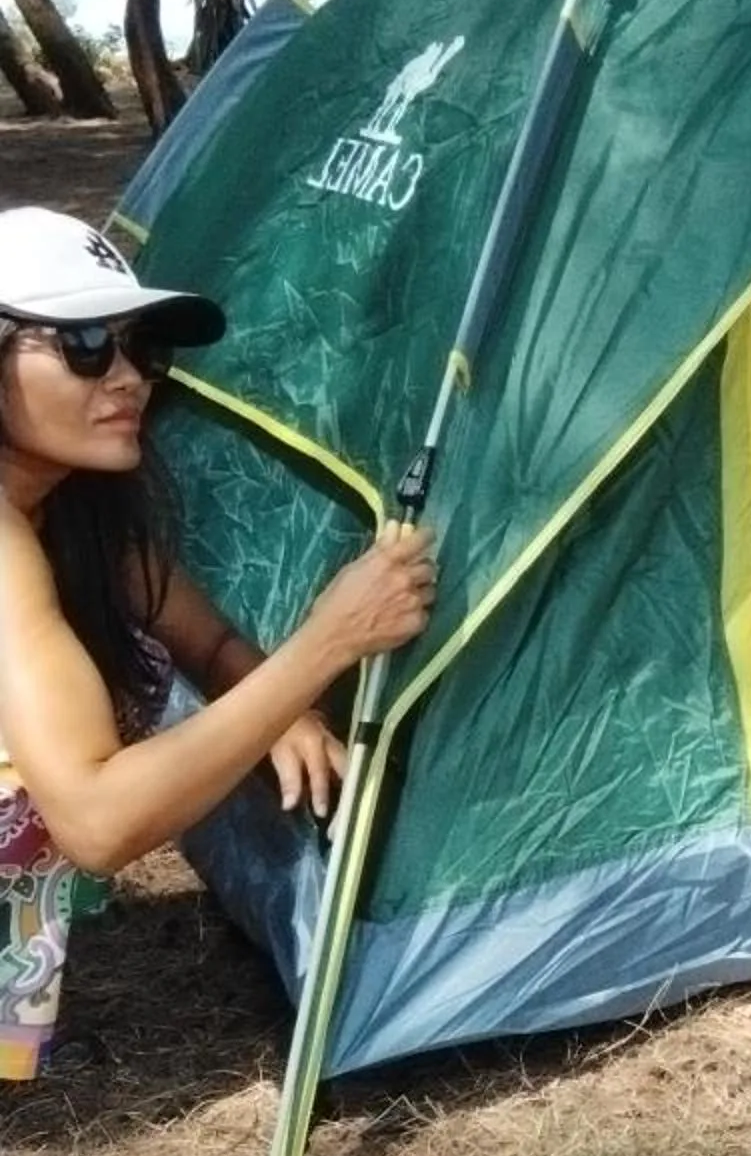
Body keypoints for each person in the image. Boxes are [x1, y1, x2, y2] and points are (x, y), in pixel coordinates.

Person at [0, 207, 435, 1079]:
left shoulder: (72, 510)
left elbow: (209, 639)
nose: (129, 378)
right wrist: (327, 643)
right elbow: (96, 820)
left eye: (140, 346)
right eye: (85, 343)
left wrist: (286, 708)